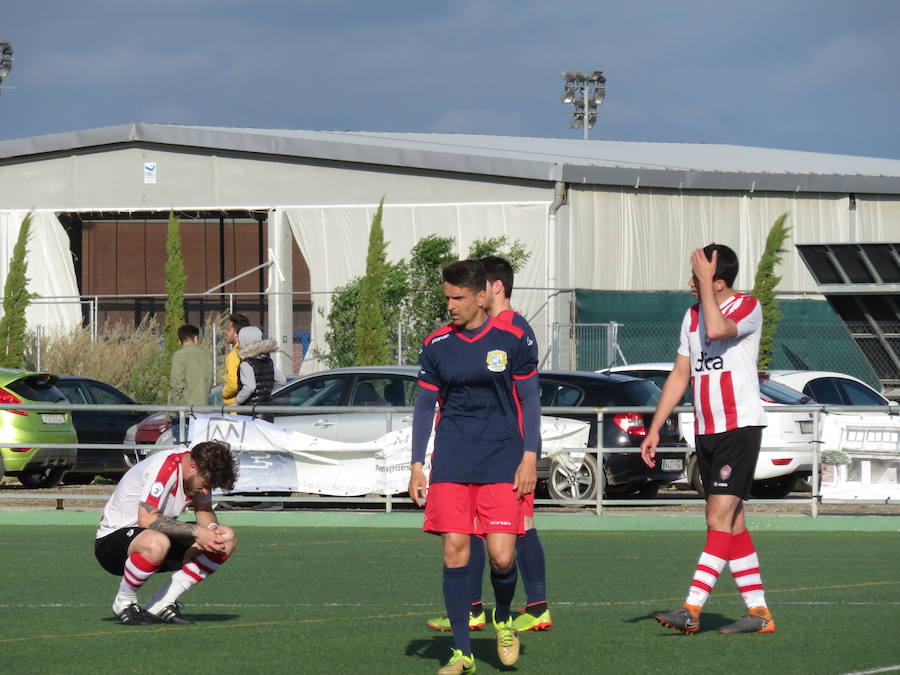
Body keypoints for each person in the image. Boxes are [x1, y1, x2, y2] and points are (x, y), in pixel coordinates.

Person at [408, 259, 541, 674]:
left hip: (502, 460)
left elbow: (531, 400)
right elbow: (425, 405)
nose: (450, 305)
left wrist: (530, 456)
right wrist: (416, 464)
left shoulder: (514, 337)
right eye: (447, 297)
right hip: (451, 460)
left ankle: (503, 616)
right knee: (455, 551)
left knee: (502, 558)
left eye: (458, 297)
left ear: (482, 297)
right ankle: (462, 653)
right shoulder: (435, 345)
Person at [640, 243, 775, 635]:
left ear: (719, 282)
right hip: (707, 429)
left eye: (697, 275)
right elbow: (681, 374)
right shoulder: (692, 314)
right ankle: (759, 613)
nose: (689, 282)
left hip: (739, 426)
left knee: (718, 518)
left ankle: (692, 607)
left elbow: (718, 330)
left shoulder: (747, 307)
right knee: (729, 522)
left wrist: (704, 280)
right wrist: (654, 428)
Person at [94, 440, 239, 625]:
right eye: (206, 484)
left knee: (226, 539)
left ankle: (162, 602)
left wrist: (211, 532)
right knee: (157, 542)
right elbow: (147, 519)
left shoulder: (199, 468)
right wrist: (197, 532)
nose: (205, 490)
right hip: (113, 544)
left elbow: (203, 509)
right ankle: (124, 601)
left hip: (156, 538)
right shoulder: (166, 466)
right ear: (192, 467)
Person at [168, 324, 213, 443]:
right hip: (202, 412)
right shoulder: (206, 356)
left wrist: (171, 411)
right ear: (196, 338)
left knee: (181, 450)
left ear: (179, 340)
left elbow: (176, 385)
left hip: (183, 412)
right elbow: (210, 383)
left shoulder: (179, 356)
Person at [234, 326, 287, 423]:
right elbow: (282, 381)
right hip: (268, 413)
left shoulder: (246, 364)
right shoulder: (268, 361)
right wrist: (265, 390)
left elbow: (249, 387)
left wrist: (237, 401)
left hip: (250, 414)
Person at [222, 313, 250, 407]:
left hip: (235, 410)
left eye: (229, 330)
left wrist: (224, 392)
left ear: (236, 334)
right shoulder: (255, 351)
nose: (226, 332)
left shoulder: (234, 355)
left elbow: (233, 385)